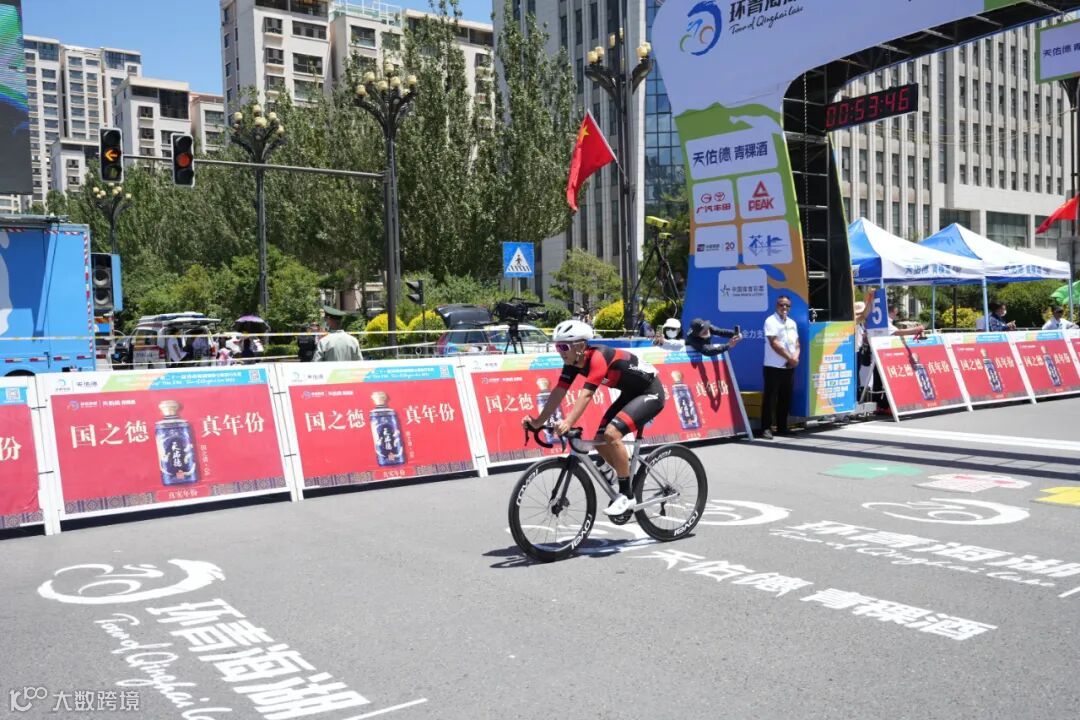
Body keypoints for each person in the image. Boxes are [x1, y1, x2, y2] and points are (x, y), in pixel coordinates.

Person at [523, 320, 665, 517]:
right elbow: (559, 392)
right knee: (600, 441)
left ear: (580, 346)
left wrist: (568, 422)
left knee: (612, 434)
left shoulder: (599, 357)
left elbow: (587, 395)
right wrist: (538, 422)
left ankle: (627, 495)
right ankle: (627, 477)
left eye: (564, 347)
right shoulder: (573, 363)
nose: (560, 351)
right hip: (630, 393)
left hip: (650, 393)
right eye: (557, 346)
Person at [761, 295, 799, 440]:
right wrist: (790, 358)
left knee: (785, 397)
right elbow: (774, 343)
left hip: (789, 367)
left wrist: (795, 357)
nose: (784, 308)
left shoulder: (792, 323)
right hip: (773, 366)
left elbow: (797, 343)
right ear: (776, 305)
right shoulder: (770, 321)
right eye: (781, 305)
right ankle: (766, 428)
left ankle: (782, 427)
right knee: (770, 399)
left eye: (787, 305)